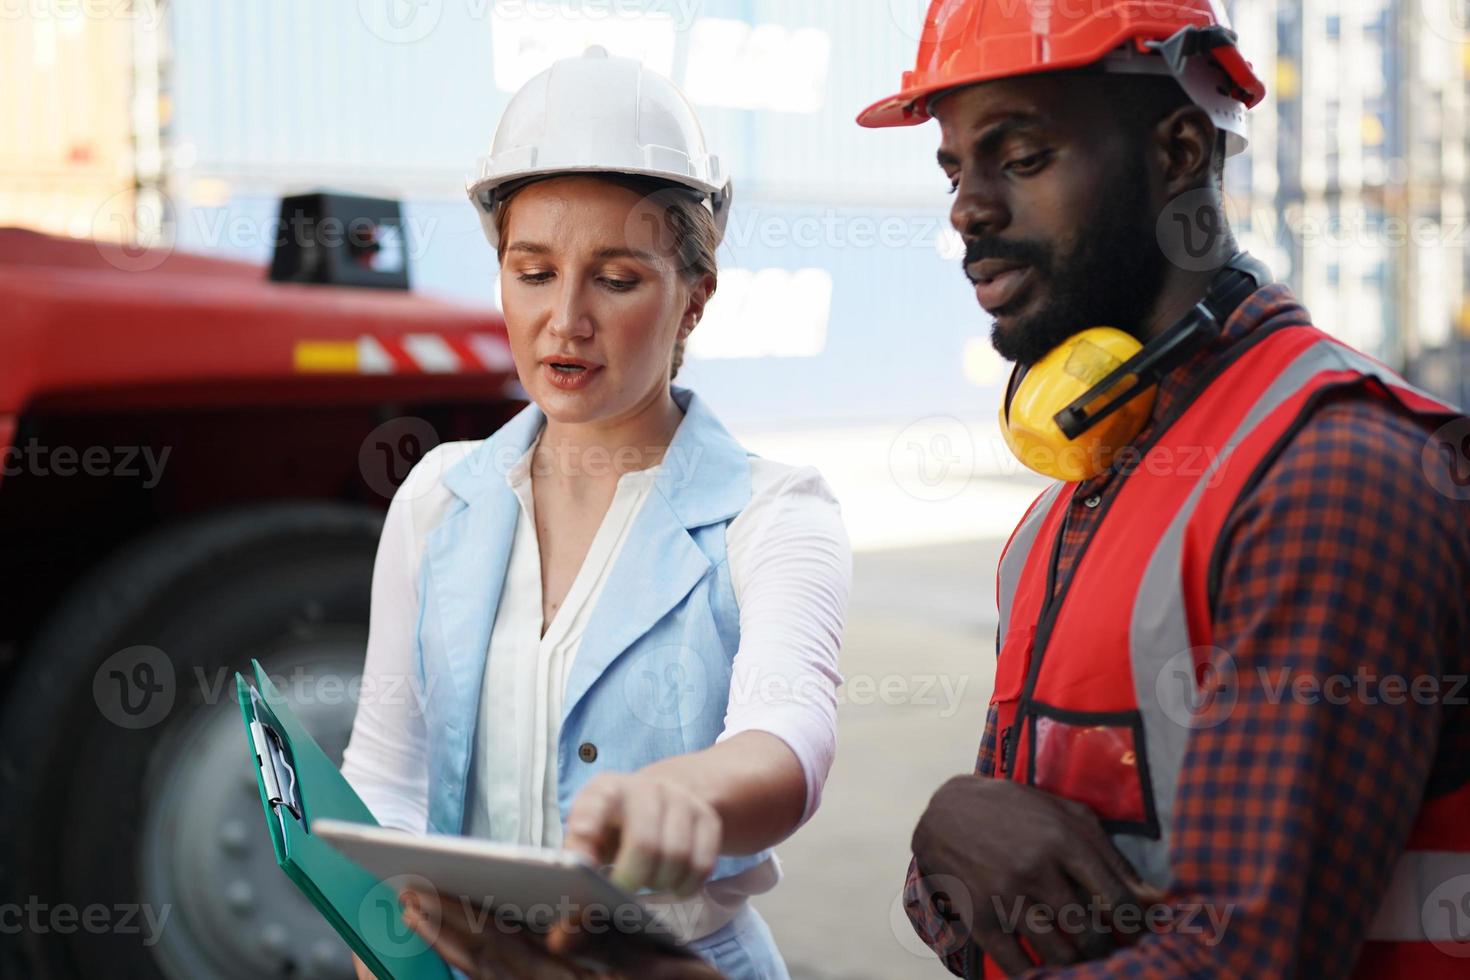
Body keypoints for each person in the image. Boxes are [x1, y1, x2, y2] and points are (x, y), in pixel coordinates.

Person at [857, 1, 1470, 977]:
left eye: (1018, 157)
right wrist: (951, 830)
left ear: (1180, 151)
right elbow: (972, 911)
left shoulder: (1330, 476)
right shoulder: (1066, 503)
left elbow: (1242, 962)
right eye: (954, 168)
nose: (966, 209)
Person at [341, 47, 851, 980]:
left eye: (616, 280)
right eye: (533, 273)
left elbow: (791, 737)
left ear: (695, 298)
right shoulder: (439, 499)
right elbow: (387, 772)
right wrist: (383, 943)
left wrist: (688, 793)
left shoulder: (774, 515)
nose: (565, 320)